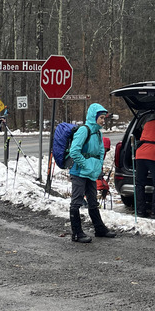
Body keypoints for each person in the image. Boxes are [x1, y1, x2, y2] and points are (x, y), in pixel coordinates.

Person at [68, 103, 116, 243]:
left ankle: (99, 229)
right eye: (101, 117)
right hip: (79, 172)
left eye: (104, 118)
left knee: (93, 200)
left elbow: (101, 151)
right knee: (76, 202)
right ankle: (76, 233)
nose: (103, 120)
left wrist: (97, 166)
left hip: (91, 172)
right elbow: (74, 151)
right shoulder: (84, 130)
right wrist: (85, 164)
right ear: (93, 117)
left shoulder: (97, 132)